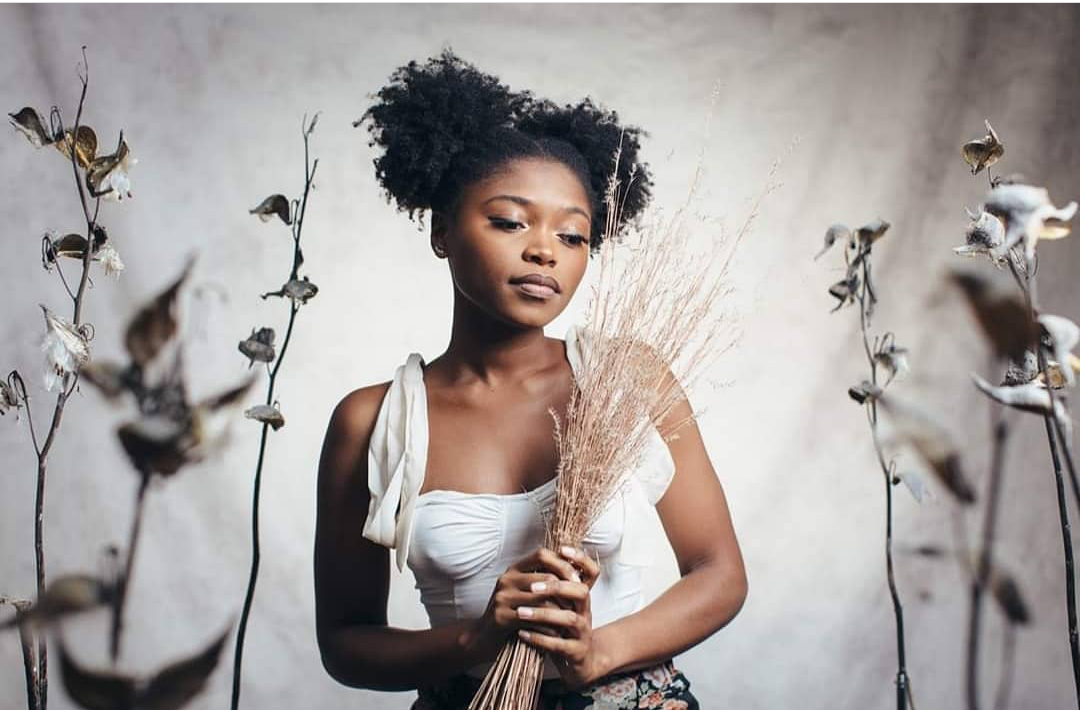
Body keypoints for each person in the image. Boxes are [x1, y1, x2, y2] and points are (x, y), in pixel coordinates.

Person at [314, 48, 747, 710]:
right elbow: (346, 643)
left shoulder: (626, 380)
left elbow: (720, 575)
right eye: (510, 221)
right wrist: (475, 640)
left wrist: (597, 652)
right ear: (441, 230)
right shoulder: (372, 420)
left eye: (573, 236)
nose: (543, 249)